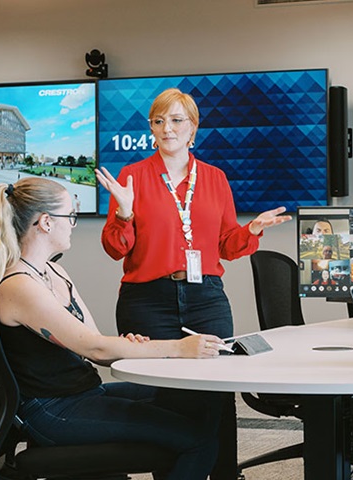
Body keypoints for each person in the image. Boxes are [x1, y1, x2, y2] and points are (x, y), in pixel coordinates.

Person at [96, 88, 290, 477]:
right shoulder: (132, 176)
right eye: (158, 121)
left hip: (206, 298)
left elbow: (227, 246)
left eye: (176, 120)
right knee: (162, 394)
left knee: (215, 392)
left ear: (193, 128)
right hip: (147, 300)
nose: (166, 128)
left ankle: (223, 474)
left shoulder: (216, 179)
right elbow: (116, 249)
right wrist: (124, 212)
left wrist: (251, 228)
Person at [0, 178, 224, 480]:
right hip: (53, 410)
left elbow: (99, 349)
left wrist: (131, 347)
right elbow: (94, 348)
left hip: (84, 392)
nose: (73, 225)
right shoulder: (20, 285)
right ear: (45, 222)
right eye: (70, 216)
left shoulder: (54, 271)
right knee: (197, 441)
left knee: (195, 402)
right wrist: (179, 348)